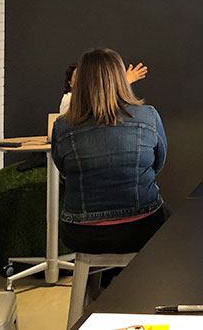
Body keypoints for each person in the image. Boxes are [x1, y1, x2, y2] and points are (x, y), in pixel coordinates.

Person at [51, 49, 170, 255]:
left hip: (81, 232)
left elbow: (63, 170)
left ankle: (104, 283)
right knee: (167, 219)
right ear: (121, 79)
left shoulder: (62, 126)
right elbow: (158, 164)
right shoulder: (148, 116)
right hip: (142, 225)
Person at [59, 61, 148, 114]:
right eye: (77, 78)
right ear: (70, 83)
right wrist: (124, 83)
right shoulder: (68, 99)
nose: (83, 82)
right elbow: (96, 103)